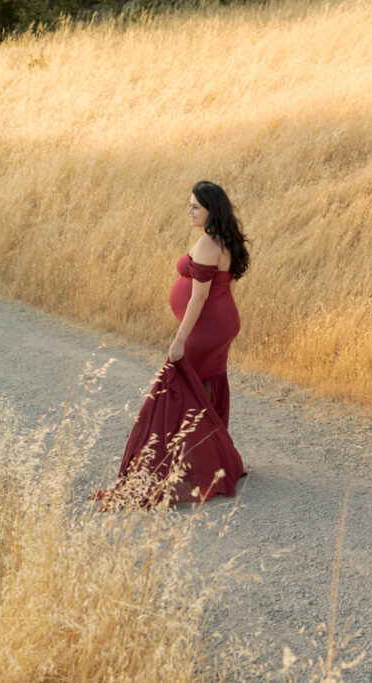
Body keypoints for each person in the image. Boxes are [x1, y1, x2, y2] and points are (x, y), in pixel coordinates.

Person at [93, 181, 249, 507]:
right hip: (221, 323)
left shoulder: (208, 243)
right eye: (189, 205)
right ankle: (218, 458)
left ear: (211, 210)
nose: (189, 211)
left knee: (176, 389)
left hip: (205, 327)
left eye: (195, 207)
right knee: (203, 386)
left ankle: (194, 466)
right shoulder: (227, 239)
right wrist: (224, 324)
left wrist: (180, 339)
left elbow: (200, 296)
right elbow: (227, 288)